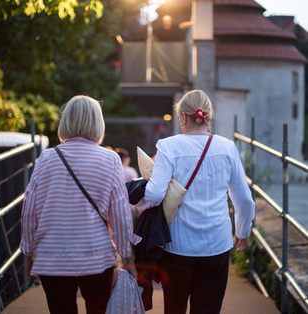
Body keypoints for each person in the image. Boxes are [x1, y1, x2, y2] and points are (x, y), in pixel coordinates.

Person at [137, 90, 255, 314]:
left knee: (175, 307)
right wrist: (242, 230)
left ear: (182, 117)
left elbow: (154, 195)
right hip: (217, 244)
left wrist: (138, 202)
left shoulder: (168, 146)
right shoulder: (228, 147)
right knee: (208, 309)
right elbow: (244, 198)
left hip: (177, 246)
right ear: (209, 118)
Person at [20, 95, 141, 314]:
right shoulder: (110, 159)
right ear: (97, 122)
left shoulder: (46, 158)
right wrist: (127, 256)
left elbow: (29, 209)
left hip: (52, 258)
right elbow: (121, 214)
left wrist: (29, 252)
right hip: (96, 257)